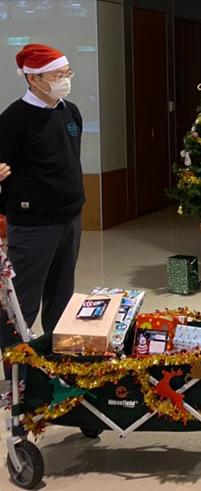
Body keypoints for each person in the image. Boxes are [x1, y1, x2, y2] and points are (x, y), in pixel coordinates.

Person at [0, 45, 84, 360]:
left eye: (67, 73)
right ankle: (18, 370)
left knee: (61, 298)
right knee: (22, 302)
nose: (65, 80)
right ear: (33, 79)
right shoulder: (13, 119)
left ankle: (57, 365)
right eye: (57, 75)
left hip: (70, 218)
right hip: (33, 224)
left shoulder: (70, 111)